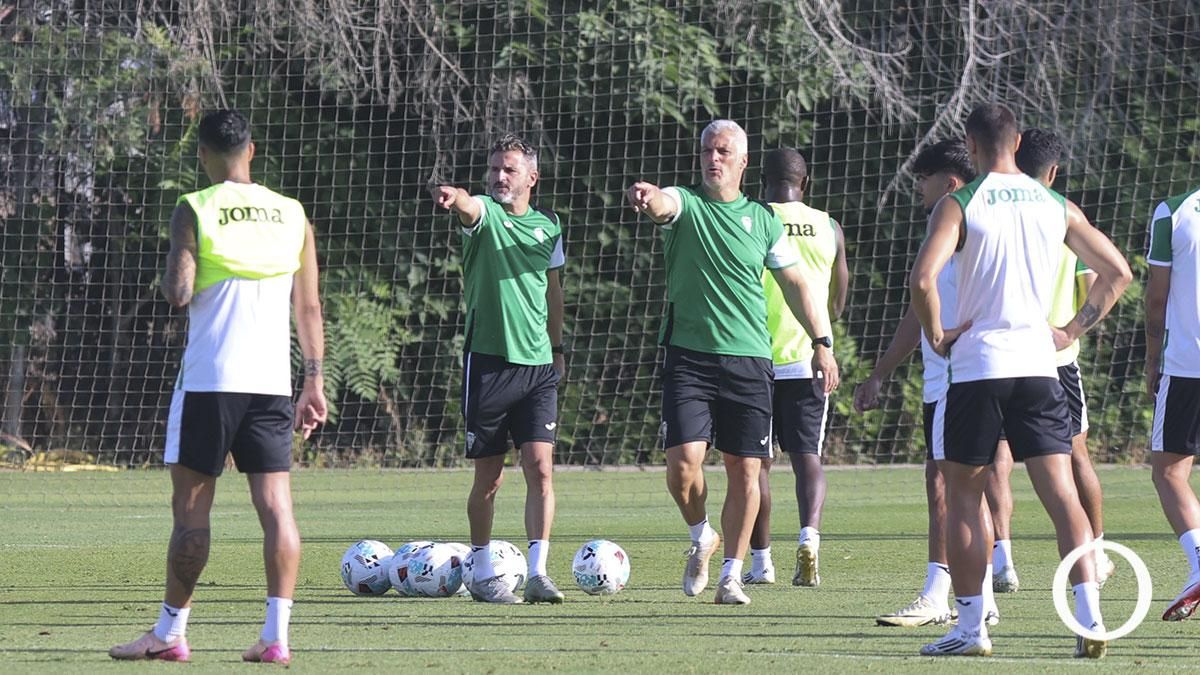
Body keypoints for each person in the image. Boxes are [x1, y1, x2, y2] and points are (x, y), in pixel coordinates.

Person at [910, 103, 1131, 658]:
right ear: (1017, 143)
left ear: (971, 145)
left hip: (978, 369)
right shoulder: (1055, 204)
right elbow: (1118, 272)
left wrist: (937, 335)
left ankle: (971, 629)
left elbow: (923, 279)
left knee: (964, 496)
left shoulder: (960, 203)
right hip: (1039, 367)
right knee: (1061, 493)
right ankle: (1089, 618)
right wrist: (1070, 329)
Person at [109, 109, 327, 665]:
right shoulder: (291, 213)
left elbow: (179, 293)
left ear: (203, 154)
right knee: (277, 508)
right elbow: (308, 307)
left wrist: (178, 258)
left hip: (210, 382)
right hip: (272, 382)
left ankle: (170, 633)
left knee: (191, 510)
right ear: (250, 151)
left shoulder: (195, 207)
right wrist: (314, 381)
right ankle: (275, 637)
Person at [626, 119, 839, 605]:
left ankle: (732, 574)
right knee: (683, 466)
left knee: (746, 470)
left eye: (723, 151)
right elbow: (663, 204)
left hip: (750, 361)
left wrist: (822, 342)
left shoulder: (762, 220)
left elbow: (797, 284)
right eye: (707, 150)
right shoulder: (686, 203)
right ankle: (701, 533)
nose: (713, 158)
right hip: (689, 358)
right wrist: (649, 196)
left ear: (743, 162)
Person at [855, 139, 997, 628]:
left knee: (944, 483)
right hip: (979, 373)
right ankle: (982, 596)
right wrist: (881, 372)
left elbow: (922, 299)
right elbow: (918, 312)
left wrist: (937, 342)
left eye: (924, 178)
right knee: (969, 487)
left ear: (950, 183)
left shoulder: (953, 223)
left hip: (956, 376)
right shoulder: (985, 221)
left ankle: (940, 594)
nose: (919, 187)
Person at [431, 134, 567, 605]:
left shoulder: (549, 224)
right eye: (494, 169)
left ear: (532, 177)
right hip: (488, 365)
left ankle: (538, 574)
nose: (499, 177)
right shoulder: (484, 214)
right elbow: (468, 206)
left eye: (509, 169)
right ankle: (483, 569)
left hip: (539, 367)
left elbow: (553, 290)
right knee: (489, 478)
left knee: (541, 468)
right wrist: (455, 196)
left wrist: (558, 347)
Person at [986, 128, 1114, 594]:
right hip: (1055, 361)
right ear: (1054, 171)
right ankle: (1095, 555)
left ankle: (1003, 559)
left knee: (997, 457)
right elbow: (1104, 281)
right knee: (1074, 456)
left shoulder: (992, 207)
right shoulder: (1064, 215)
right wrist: (1070, 331)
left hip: (1000, 356)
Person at [743, 148, 848, 588]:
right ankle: (809, 540)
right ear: (805, 182)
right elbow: (838, 300)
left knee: (756, 465)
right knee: (808, 458)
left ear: (760, 180)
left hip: (754, 356)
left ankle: (761, 563)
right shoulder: (829, 226)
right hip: (809, 357)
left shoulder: (750, 218)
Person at [1145, 182, 1200, 622]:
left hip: (1187, 366)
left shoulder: (1174, 212)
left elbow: (1157, 297)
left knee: (1168, 471)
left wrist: (1151, 360)